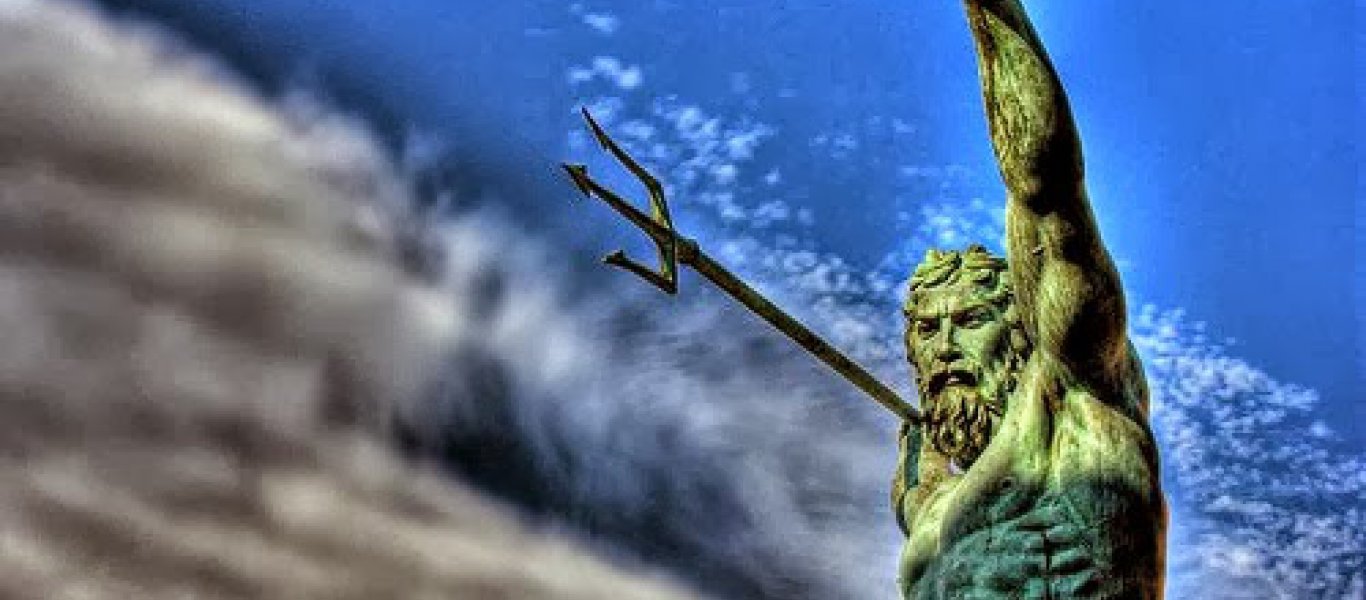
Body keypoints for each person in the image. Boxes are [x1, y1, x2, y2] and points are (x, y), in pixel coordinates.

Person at [890, 1, 1167, 597]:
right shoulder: (931, 513)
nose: (944, 346)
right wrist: (919, 440)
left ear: (1023, 325)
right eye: (928, 332)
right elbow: (917, 475)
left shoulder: (1075, 395)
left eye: (969, 320)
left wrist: (988, 10)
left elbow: (1046, 188)